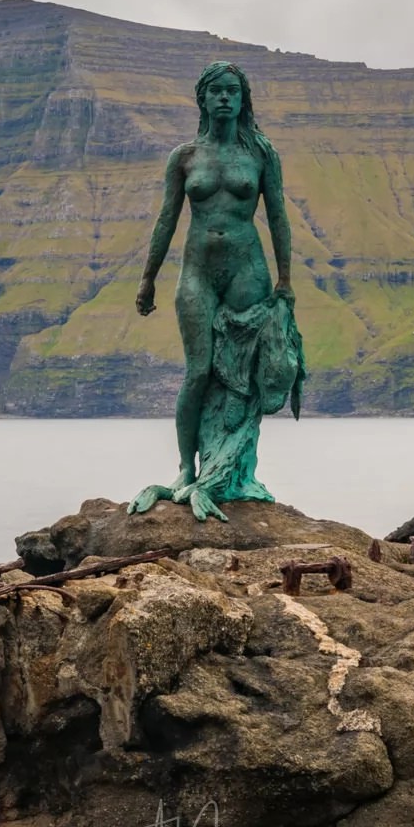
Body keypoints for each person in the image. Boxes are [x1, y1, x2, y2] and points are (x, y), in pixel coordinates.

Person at [131, 61, 304, 522]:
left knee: (244, 377)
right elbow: (167, 219)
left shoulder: (261, 154)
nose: (225, 98)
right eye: (217, 92)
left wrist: (285, 279)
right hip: (198, 273)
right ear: (203, 100)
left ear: (243, 99)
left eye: (233, 91)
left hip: (248, 268)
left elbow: (280, 217)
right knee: (199, 371)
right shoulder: (185, 157)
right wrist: (148, 278)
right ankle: (187, 469)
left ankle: (230, 471)